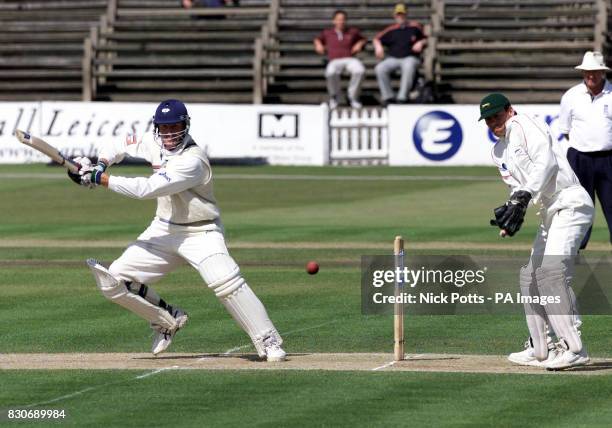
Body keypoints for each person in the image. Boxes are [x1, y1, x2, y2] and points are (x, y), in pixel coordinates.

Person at [67, 99, 286, 362]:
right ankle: (166, 320)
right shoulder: (153, 141)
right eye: (165, 128)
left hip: (201, 232)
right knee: (113, 281)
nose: (170, 134)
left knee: (226, 282)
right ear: (158, 128)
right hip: (163, 229)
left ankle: (268, 340)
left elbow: (147, 189)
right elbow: (118, 144)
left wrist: (97, 178)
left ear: (185, 126)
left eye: (175, 127)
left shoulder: (193, 160)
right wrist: (100, 163)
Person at [481, 93, 594, 370]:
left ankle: (574, 347)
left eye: (497, 116)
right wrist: (512, 212)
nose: (494, 123)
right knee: (529, 276)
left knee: (551, 273)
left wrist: (523, 196)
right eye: (488, 120)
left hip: (570, 202)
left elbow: (548, 164)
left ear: (509, 110)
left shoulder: (524, 125)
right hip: (548, 213)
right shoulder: (498, 152)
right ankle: (540, 348)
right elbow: (515, 187)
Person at [559, 51, 612, 250]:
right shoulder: (571, 96)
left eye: (595, 71)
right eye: (587, 71)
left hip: (608, 158)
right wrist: (584, 146)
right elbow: (565, 130)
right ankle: (575, 252)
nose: (591, 75)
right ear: (583, 72)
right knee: (579, 208)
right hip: (579, 159)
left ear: (602, 72)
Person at [373, 3, 427, 106]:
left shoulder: (415, 27)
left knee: (408, 65)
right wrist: (378, 46)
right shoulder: (391, 29)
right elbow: (376, 39)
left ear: (406, 14)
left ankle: (402, 97)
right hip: (393, 58)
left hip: (411, 57)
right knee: (380, 68)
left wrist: (421, 42)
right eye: (398, 14)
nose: (400, 16)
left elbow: (426, 38)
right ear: (394, 15)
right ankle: (388, 97)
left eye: (402, 14)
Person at [313, 10, 367, 109]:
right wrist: (318, 44)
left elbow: (363, 39)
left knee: (360, 70)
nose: (341, 22)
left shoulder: (352, 31)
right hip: (334, 60)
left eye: (343, 19)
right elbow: (317, 39)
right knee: (330, 72)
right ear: (334, 21)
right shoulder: (327, 32)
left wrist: (359, 44)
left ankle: (353, 97)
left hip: (350, 58)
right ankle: (335, 97)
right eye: (338, 19)